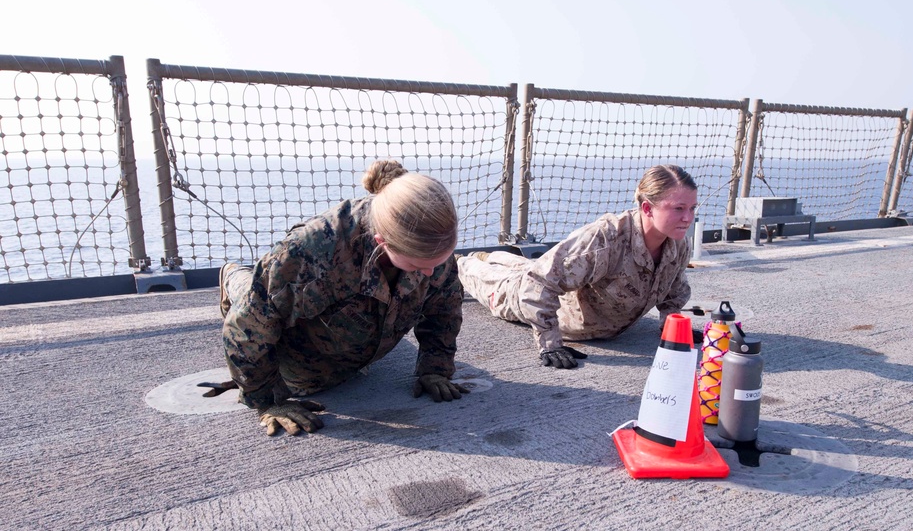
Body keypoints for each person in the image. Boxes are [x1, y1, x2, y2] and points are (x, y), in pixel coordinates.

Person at [210, 160, 468, 436]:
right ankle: (233, 276)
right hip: (301, 365)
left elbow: (444, 307)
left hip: (356, 341)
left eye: (436, 262)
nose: (430, 271)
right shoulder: (309, 252)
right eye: (419, 266)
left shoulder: (431, 242)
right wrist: (268, 402)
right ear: (383, 242)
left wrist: (435, 369)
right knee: (255, 297)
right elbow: (246, 326)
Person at [457, 164, 697, 369]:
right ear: (647, 208)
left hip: (551, 276)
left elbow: (673, 286)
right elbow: (537, 283)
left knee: (528, 265)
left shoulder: (678, 243)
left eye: (692, 208)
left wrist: (672, 326)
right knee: (487, 277)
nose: (688, 217)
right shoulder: (605, 240)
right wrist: (550, 344)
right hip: (524, 296)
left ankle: (491, 255)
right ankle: (460, 262)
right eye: (678, 208)